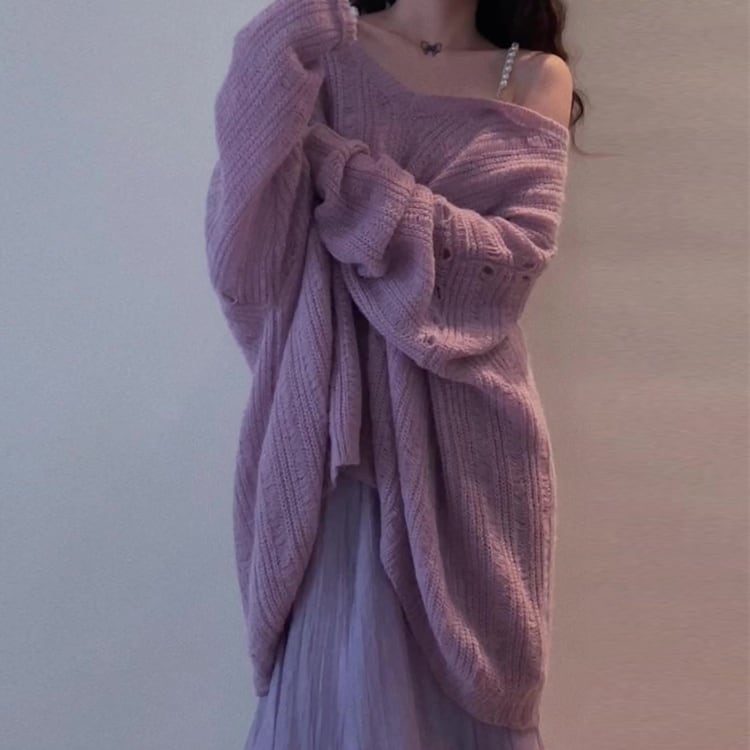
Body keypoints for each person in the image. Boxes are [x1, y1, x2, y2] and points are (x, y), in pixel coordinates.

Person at [204, 0, 582, 747]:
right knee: (338, 690)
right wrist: (275, 49)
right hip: (336, 442)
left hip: (472, 445)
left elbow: (497, 277)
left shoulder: (535, 76)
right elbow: (244, 262)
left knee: (472, 691)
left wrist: (341, 172)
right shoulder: (317, 54)